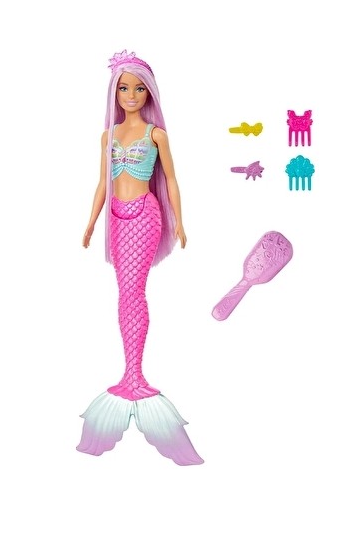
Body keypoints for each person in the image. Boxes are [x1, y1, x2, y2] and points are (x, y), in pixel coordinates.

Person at [76, 50, 203, 466]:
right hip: (116, 217)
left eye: (139, 89)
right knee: (124, 294)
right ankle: (130, 371)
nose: (131, 95)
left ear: (149, 93)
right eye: (124, 88)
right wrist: (91, 222)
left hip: (145, 215)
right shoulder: (108, 136)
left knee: (134, 291)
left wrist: (179, 222)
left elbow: (172, 179)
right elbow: (102, 183)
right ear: (115, 92)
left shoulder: (155, 135)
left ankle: (135, 373)